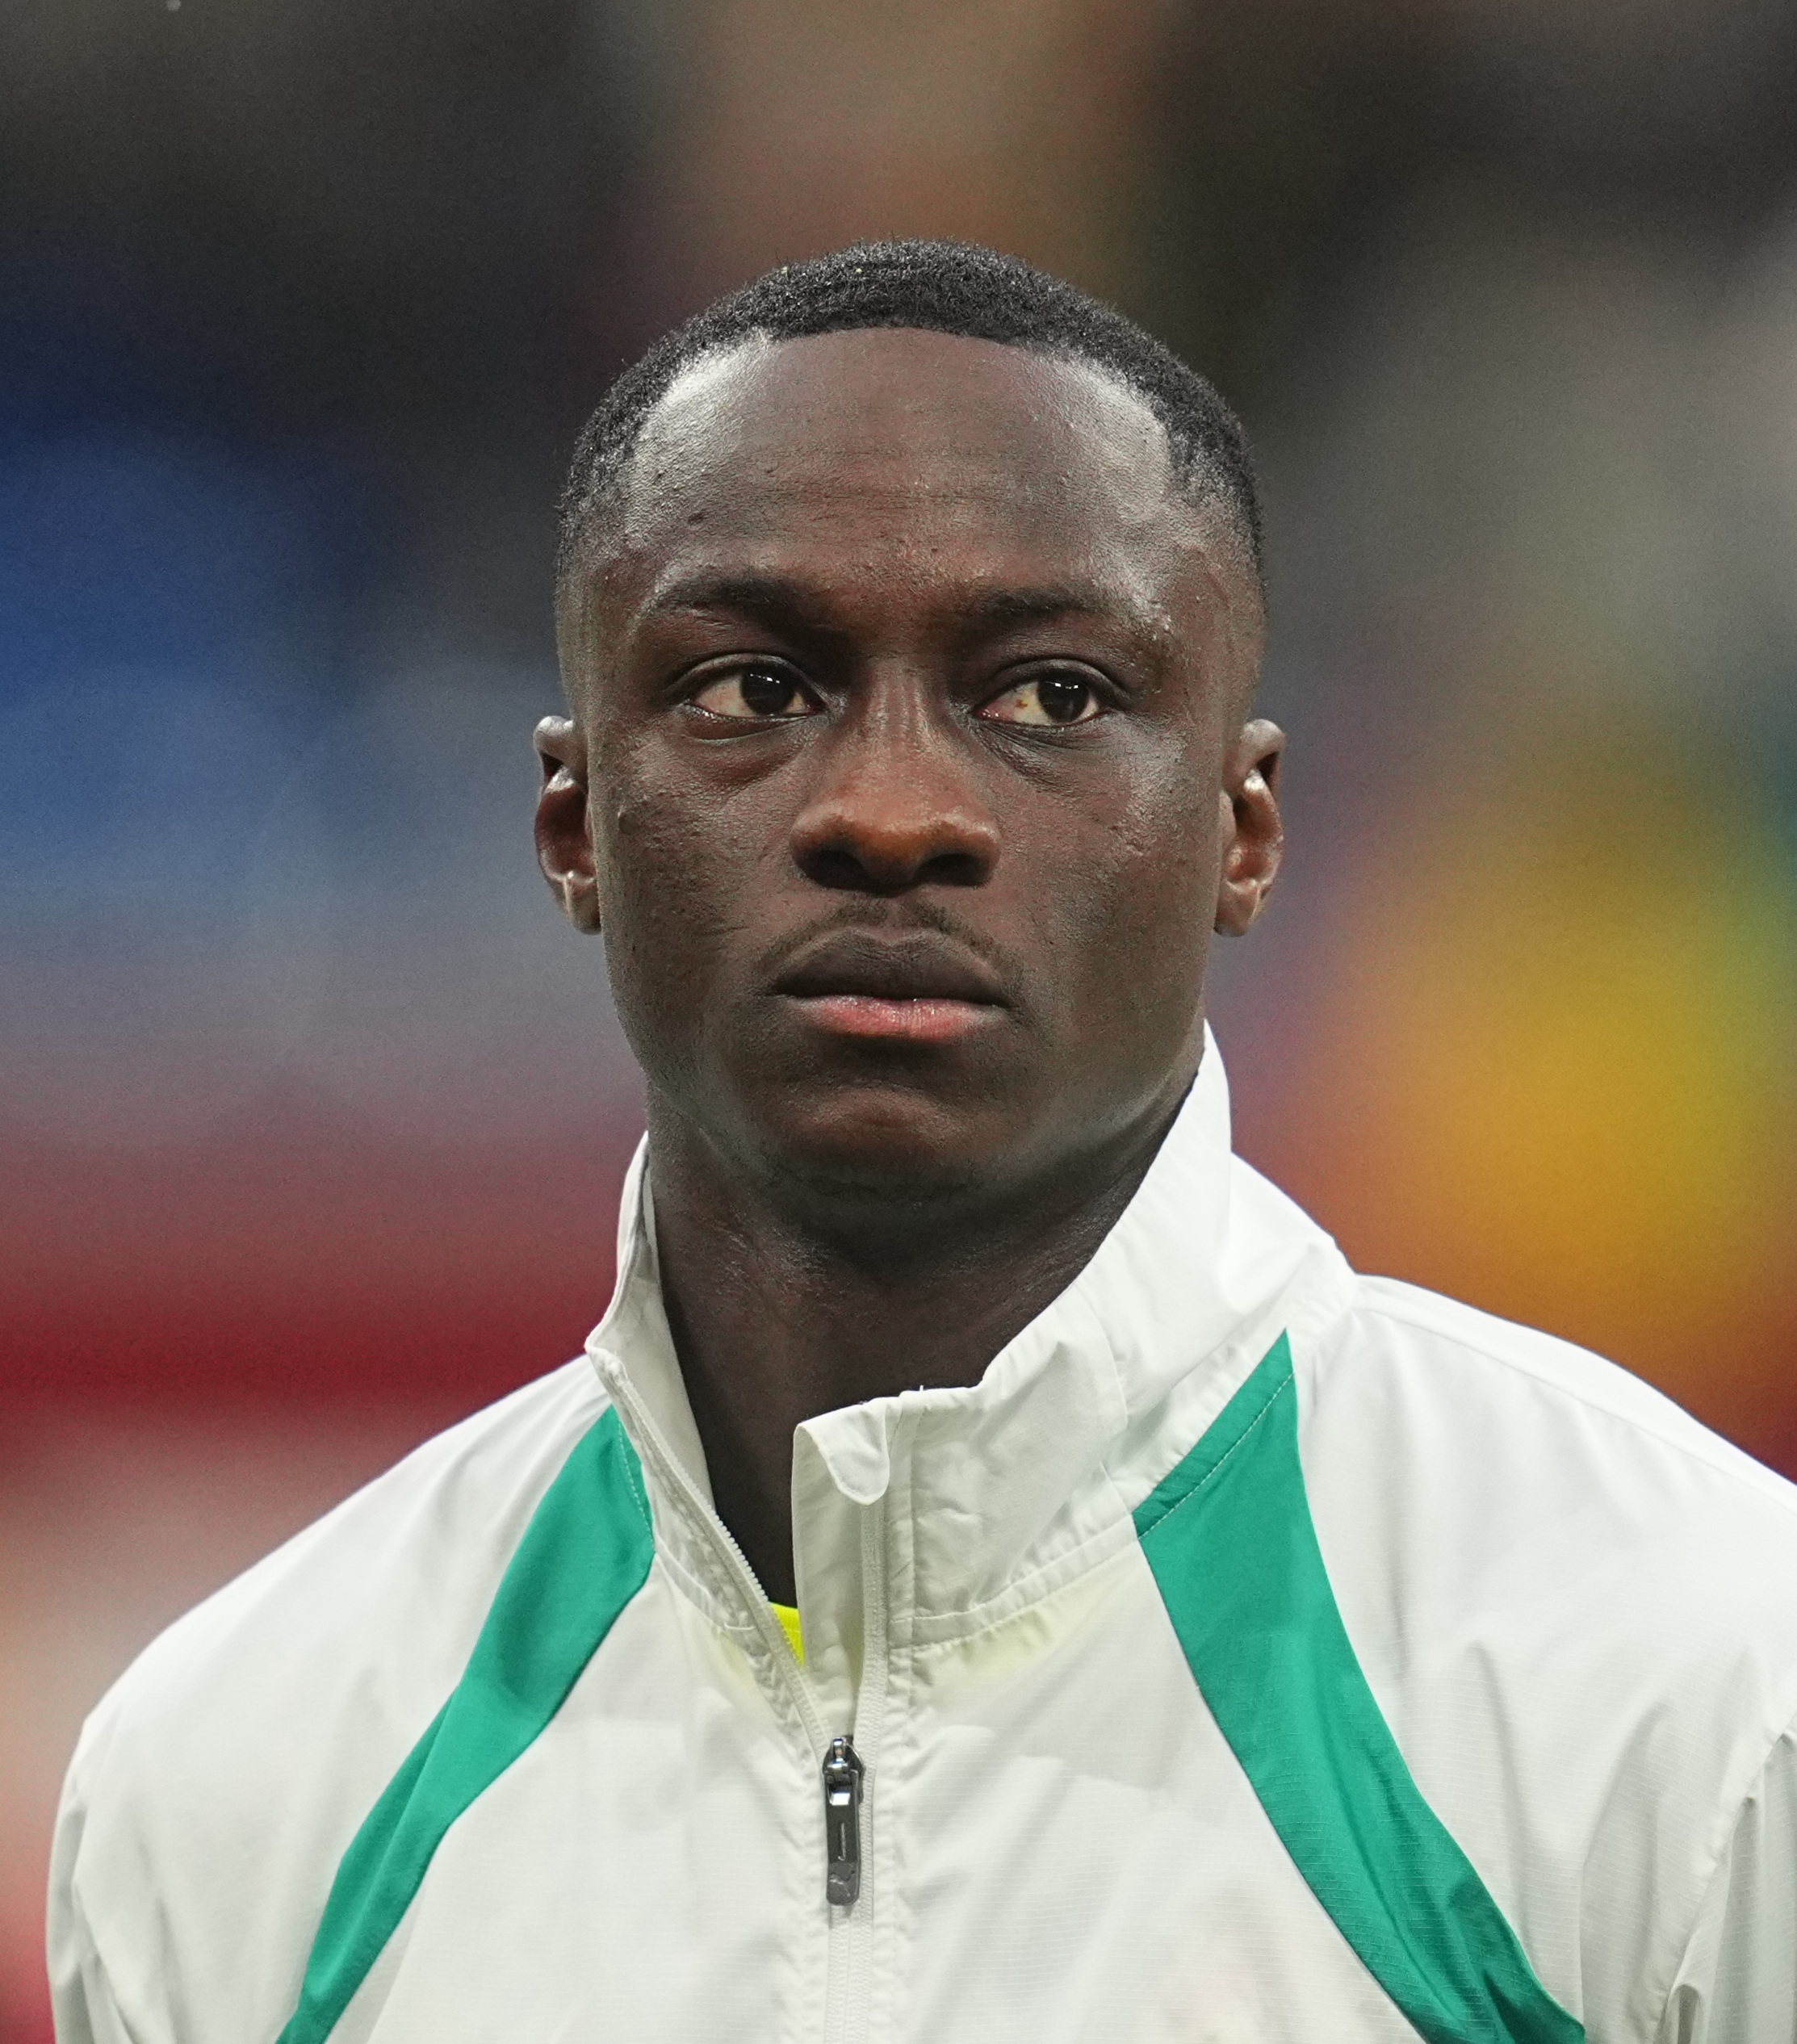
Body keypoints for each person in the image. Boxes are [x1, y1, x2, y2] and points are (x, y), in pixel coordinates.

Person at [48, 240, 1797, 2044]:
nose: (891, 812)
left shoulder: (1695, 1687)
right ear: (572, 824)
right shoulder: (237, 1790)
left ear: (1244, 831)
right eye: (754, 690)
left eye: (1050, 696)